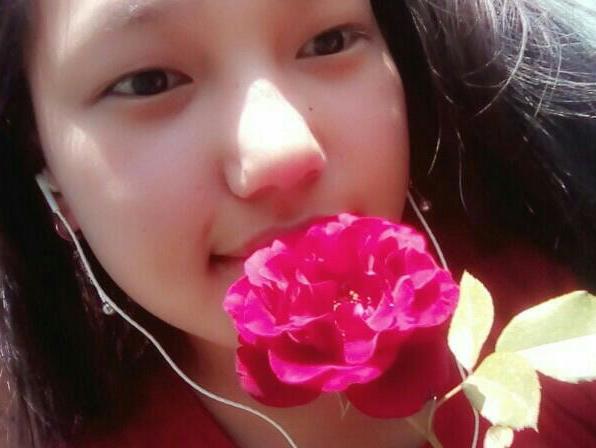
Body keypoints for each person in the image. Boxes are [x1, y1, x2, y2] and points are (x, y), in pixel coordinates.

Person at [0, 0, 595, 447]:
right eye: (147, 82)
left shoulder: (565, 288)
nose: (281, 150)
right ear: (43, 164)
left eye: (328, 41)